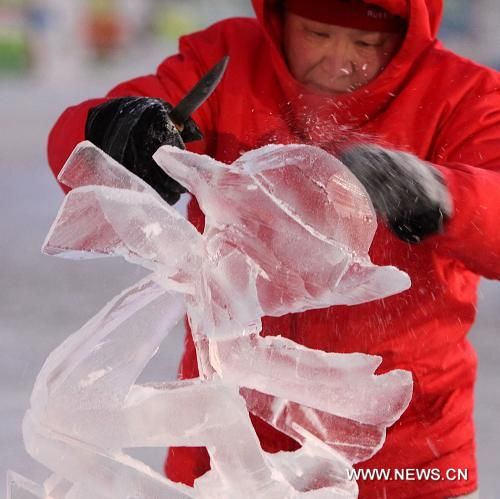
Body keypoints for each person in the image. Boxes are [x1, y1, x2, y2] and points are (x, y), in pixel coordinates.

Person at [47, 0, 500, 497]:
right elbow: (84, 145)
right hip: (226, 444)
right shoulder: (227, 59)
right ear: (283, 17)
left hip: (403, 453)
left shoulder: (463, 96)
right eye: (318, 34)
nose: (339, 60)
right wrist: (117, 134)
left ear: (407, 33)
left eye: (367, 43)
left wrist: (444, 197)